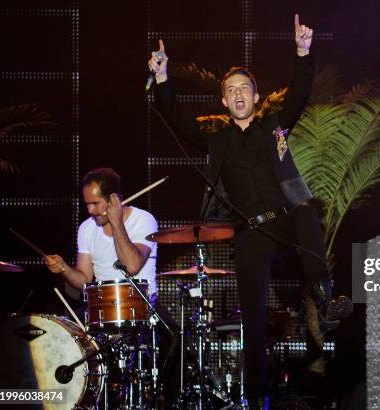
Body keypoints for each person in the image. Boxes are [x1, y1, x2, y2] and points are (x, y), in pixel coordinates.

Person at [149, 14, 349, 405]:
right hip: (251, 233)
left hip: (284, 219)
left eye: (245, 88)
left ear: (255, 98)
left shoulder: (273, 126)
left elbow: (298, 96)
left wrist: (303, 52)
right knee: (254, 322)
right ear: (224, 100)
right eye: (231, 90)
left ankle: (325, 297)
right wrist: (162, 80)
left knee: (307, 211)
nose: (239, 94)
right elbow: (179, 121)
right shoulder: (218, 140)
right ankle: (256, 399)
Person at [45, 167, 158, 296]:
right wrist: (63, 268)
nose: (90, 210)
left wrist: (116, 222)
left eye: (95, 203)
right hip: (103, 308)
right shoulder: (86, 228)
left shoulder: (143, 220)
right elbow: (85, 281)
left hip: (141, 307)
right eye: (87, 204)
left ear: (114, 199)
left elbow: (131, 267)